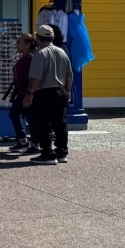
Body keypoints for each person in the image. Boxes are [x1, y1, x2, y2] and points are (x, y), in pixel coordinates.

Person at [22, 24, 73, 165]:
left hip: (44, 92)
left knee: (42, 123)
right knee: (60, 123)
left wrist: (29, 93)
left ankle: (47, 154)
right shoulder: (62, 52)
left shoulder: (40, 53)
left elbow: (36, 77)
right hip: (60, 90)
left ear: (38, 38)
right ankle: (62, 152)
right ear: (52, 37)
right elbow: (69, 75)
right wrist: (67, 91)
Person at [7, 34, 37, 153]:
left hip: (27, 92)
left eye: (19, 42)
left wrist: (29, 94)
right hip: (20, 92)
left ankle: (35, 144)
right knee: (14, 113)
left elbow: (32, 77)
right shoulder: (23, 57)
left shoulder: (30, 58)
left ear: (28, 44)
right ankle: (22, 140)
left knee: (31, 117)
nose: (17, 45)